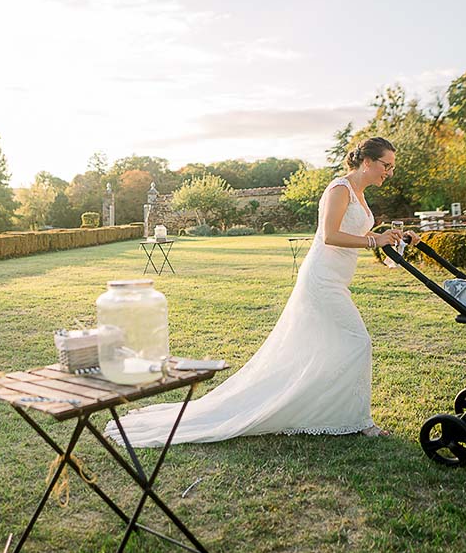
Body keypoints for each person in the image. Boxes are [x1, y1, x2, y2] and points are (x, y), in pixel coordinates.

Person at [105, 137, 416, 447]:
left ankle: (335, 412)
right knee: (358, 341)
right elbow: (331, 235)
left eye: (390, 167)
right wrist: (375, 241)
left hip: (337, 280)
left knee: (327, 346)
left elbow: (357, 234)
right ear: (367, 162)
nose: (388, 172)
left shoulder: (360, 195)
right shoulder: (339, 189)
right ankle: (359, 420)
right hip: (321, 279)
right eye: (386, 165)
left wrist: (389, 237)